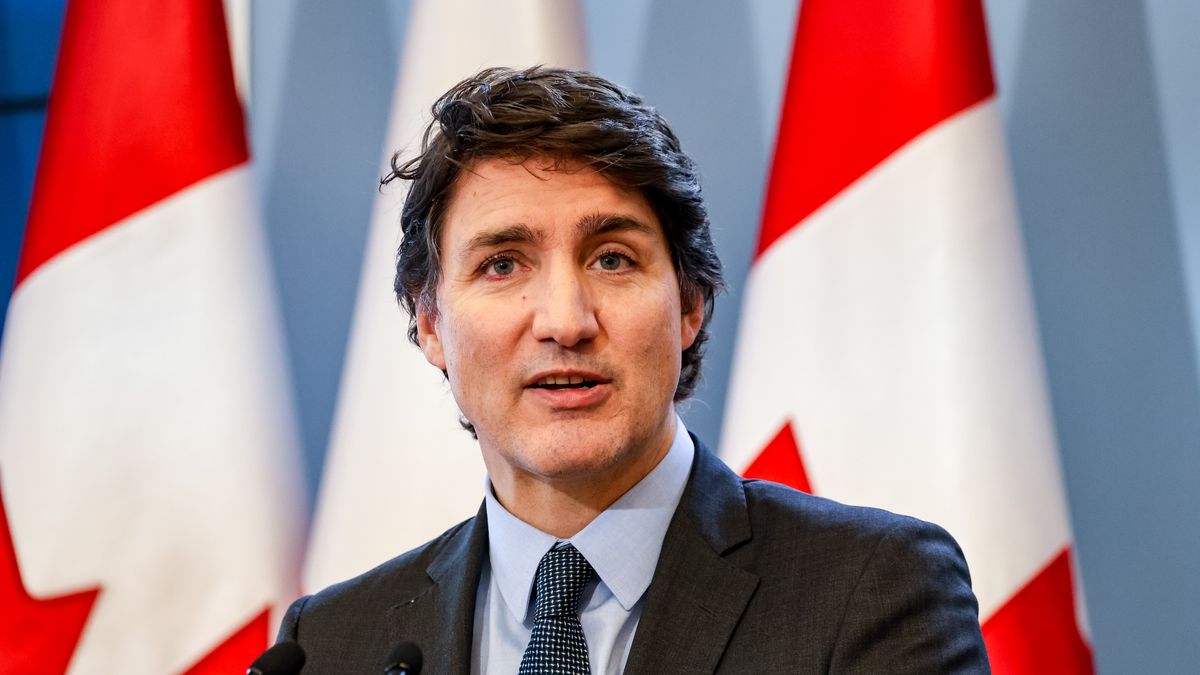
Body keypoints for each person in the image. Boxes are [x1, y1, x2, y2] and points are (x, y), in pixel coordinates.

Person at [277, 66, 990, 674]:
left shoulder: (873, 589)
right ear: (430, 323)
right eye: (502, 264)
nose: (565, 320)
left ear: (689, 305)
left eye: (611, 259)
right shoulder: (333, 641)